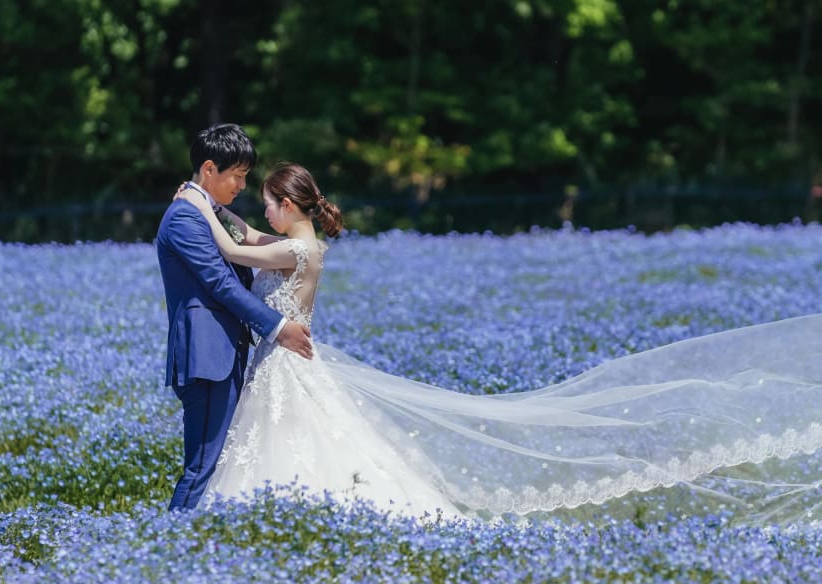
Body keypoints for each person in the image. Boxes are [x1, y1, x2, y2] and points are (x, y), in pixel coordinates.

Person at [178, 163, 822, 525]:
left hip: (287, 361)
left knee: (297, 442)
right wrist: (222, 208)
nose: (261, 212)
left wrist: (198, 204)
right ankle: (280, 518)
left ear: (289, 205)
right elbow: (250, 241)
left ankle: (288, 519)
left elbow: (237, 249)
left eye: (266, 203)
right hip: (284, 360)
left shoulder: (299, 247)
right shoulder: (295, 242)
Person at [156, 124, 313, 511]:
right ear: (209, 169)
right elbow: (220, 285)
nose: (242, 185)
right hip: (207, 356)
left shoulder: (208, 212)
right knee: (203, 467)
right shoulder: (184, 218)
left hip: (225, 354)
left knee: (219, 465)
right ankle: (172, 544)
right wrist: (278, 328)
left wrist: (307, 245)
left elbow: (251, 239)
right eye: (238, 176)